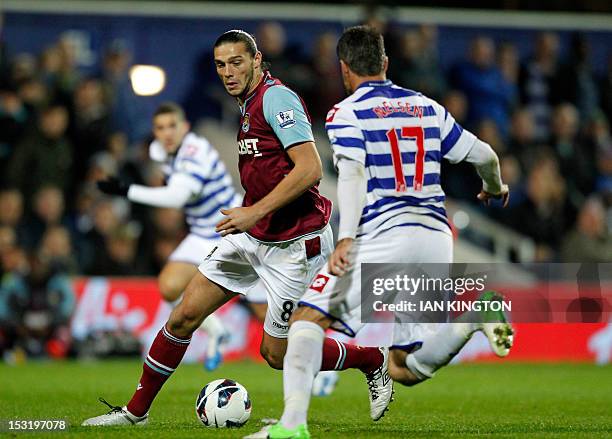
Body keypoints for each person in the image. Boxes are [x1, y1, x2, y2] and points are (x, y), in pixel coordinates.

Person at [83, 29, 388, 427]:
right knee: (182, 317)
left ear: (257, 59)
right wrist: (252, 217)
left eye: (236, 62)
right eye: (221, 65)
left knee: (277, 354)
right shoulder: (245, 104)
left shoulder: (276, 98)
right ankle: (135, 413)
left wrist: (253, 211)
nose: (228, 72)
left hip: (296, 245)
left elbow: (311, 168)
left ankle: (372, 359)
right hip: (252, 236)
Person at [255, 26, 514, 439]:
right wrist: (495, 186)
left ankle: (292, 427)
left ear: (343, 69)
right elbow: (484, 154)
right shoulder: (426, 107)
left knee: (305, 319)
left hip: (384, 232)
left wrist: (347, 237)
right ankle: (472, 319)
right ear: (385, 64)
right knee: (403, 366)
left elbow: (354, 173)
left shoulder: (345, 113)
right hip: (434, 235)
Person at [96, 102, 248, 369]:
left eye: (172, 126)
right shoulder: (161, 152)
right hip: (202, 233)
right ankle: (216, 331)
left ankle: (313, 361)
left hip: (233, 229)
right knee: (168, 286)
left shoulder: (195, 150)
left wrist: (127, 191)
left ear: (185, 128)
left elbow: (178, 196)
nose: (166, 133)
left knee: (263, 310)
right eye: (160, 127)